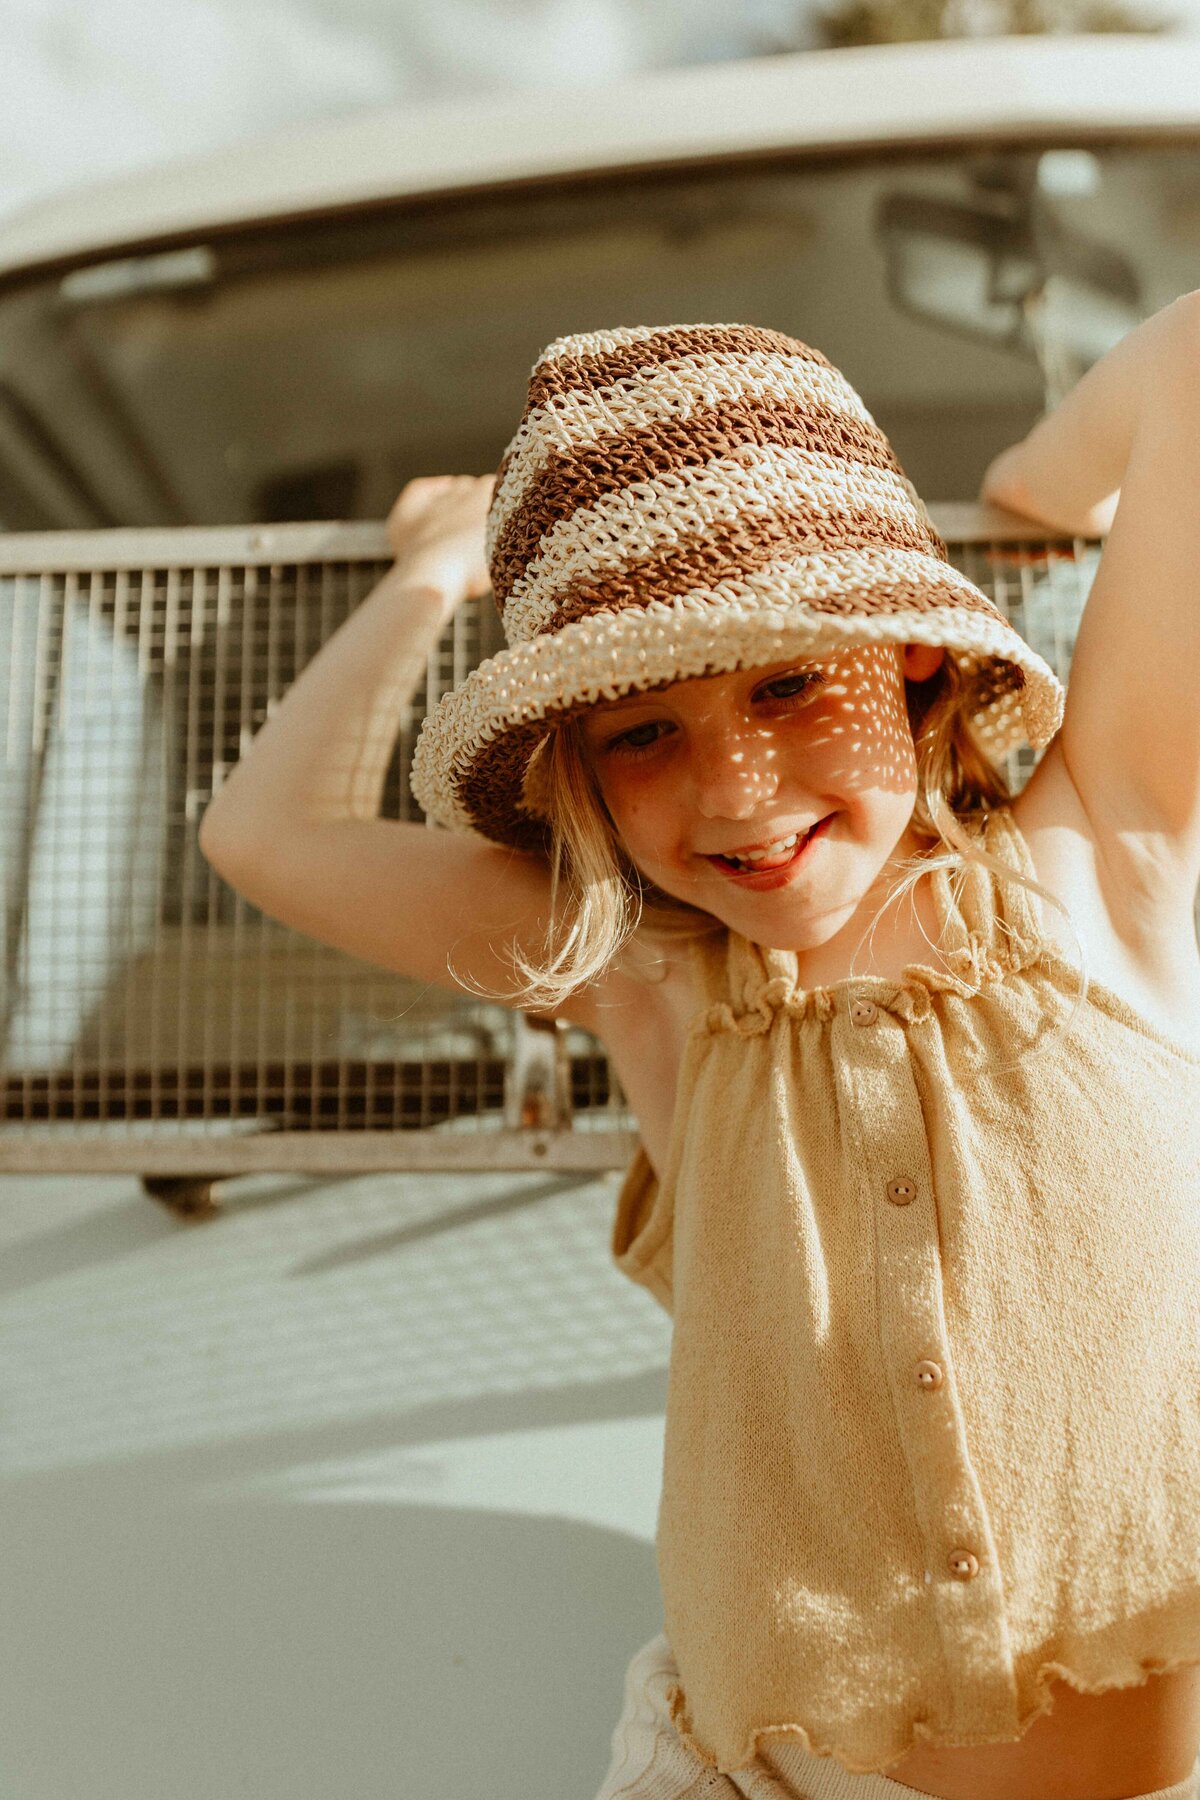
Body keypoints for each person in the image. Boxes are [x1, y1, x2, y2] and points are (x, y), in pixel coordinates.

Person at [198, 313, 1200, 1800]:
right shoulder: (655, 983)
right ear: (585, 773)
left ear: (914, 645)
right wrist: (428, 578)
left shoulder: (1100, 858)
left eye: (789, 686)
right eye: (644, 733)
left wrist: (1039, 492)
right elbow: (264, 837)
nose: (734, 792)